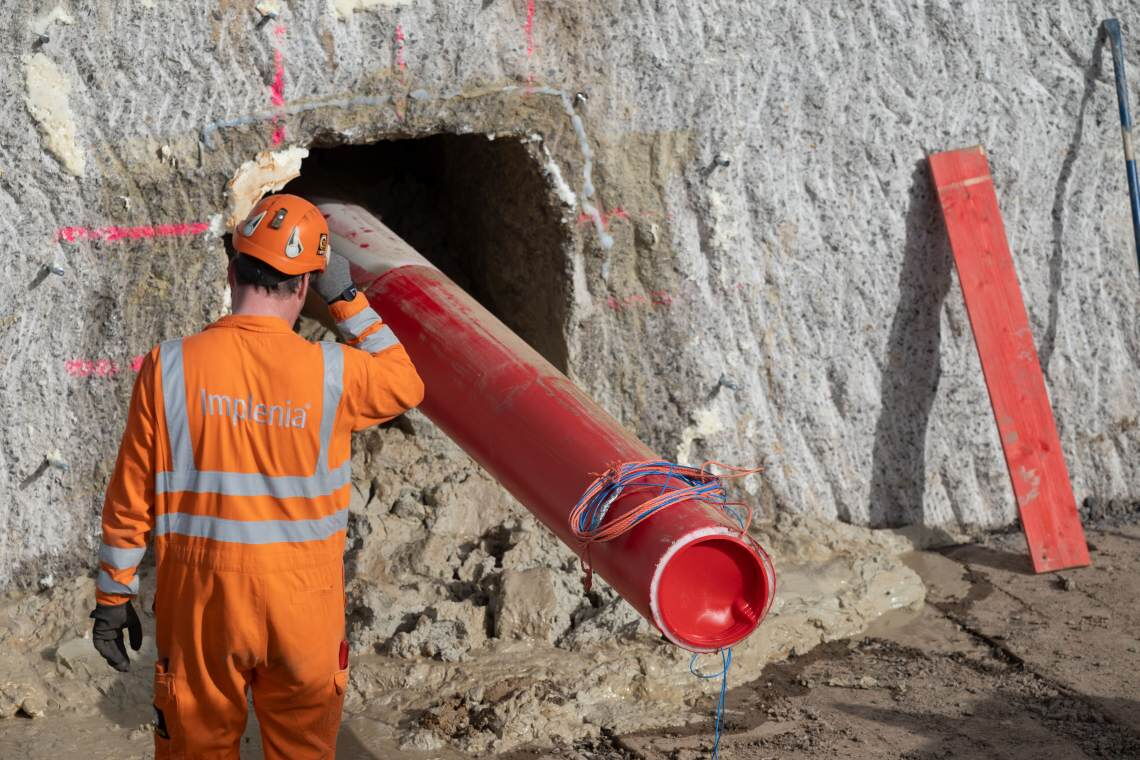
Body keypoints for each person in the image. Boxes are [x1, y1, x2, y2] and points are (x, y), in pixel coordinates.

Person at [88, 193, 424, 758]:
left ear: (231, 270)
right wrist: (345, 299)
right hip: (304, 607)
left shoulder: (168, 365)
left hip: (201, 605)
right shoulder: (334, 373)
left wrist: (112, 596)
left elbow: (130, 497)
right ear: (302, 287)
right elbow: (406, 382)